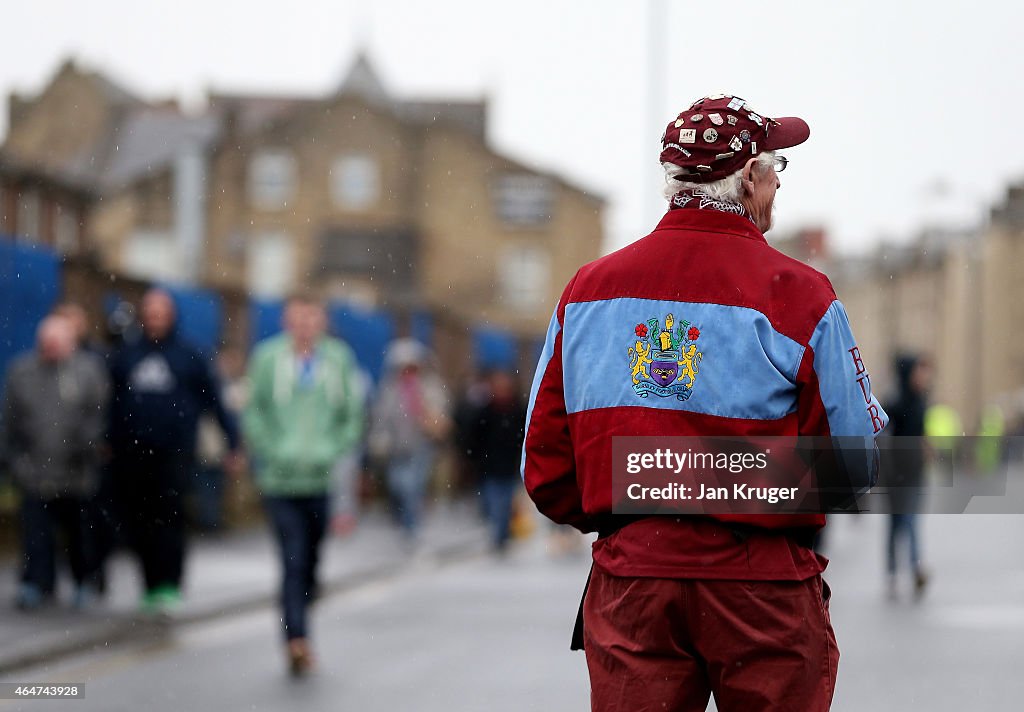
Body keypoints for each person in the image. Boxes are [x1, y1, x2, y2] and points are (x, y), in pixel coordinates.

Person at [522, 94, 888, 712]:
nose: (776, 184)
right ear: (748, 177)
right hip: (761, 585)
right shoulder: (800, 295)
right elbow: (854, 462)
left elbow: (547, 464)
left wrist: (632, 517)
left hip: (634, 576)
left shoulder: (587, 292)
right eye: (775, 167)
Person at [243, 292, 364, 676]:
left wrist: (335, 447)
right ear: (286, 321)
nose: (305, 324)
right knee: (292, 560)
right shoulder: (266, 358)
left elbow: (351, 414)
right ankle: (297, 639)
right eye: (298, 317)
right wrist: (271, 448)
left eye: (312, 317)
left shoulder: (338, 359)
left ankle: (303, 608)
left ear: (322, 321)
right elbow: (254, 410)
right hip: (279, 481)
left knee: (311, 561)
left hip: (321, 479)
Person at [108, 288, 240, 613]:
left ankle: (170, 583)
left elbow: (214, 402)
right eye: (150, 312)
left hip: (174, 454)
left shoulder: (189, 355)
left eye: (161, 312)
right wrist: (107, 441)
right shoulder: (127, 355)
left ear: (171, 315)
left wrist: (233, 442)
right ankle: (149, 584)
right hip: (132, 455)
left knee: (170, 520)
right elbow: (110, 404)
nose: (155, 319)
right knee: (138, 523)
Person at [2, 315, 109, 609]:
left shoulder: (88, 372)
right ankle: (37, 583)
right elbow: (10, 424)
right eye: (45, 343)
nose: (49, 349)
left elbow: (98, 416)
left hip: (77, 473)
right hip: (34, 471)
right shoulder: (21, 372)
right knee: (36, 535)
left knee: (78, 535)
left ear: (70, 343)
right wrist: (16, 463)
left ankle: (83, 580)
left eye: (55, 343)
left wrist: (84, 448)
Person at [369, 338, 449, 543]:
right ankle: (404, 519)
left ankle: (411, 526)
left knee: (412, 486)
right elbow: (381, 418)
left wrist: (428, 416)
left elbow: (440, 415)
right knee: (398, 484)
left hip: (421, 446)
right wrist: (380, 439)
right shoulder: (389, 390)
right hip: (397, 448)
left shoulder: (430, 387)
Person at [882, 355, 932, 600]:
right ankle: (892, 571)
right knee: (895, 524)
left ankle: (914, 568)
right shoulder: (895, 402)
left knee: (910, 521)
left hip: (914, 472)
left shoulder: (922, 400)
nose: (923, 377)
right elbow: (884, 434)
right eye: (919, 371)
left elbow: (919, 433)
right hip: (895, 475)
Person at [471, 369, 527, 553]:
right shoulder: (486, 411)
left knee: (505, 503)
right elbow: (475, 436)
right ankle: (499, 534)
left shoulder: (517, 409)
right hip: (490, 466)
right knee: (494, 503)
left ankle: (502, 533)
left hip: (509, 465)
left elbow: (525, 435)